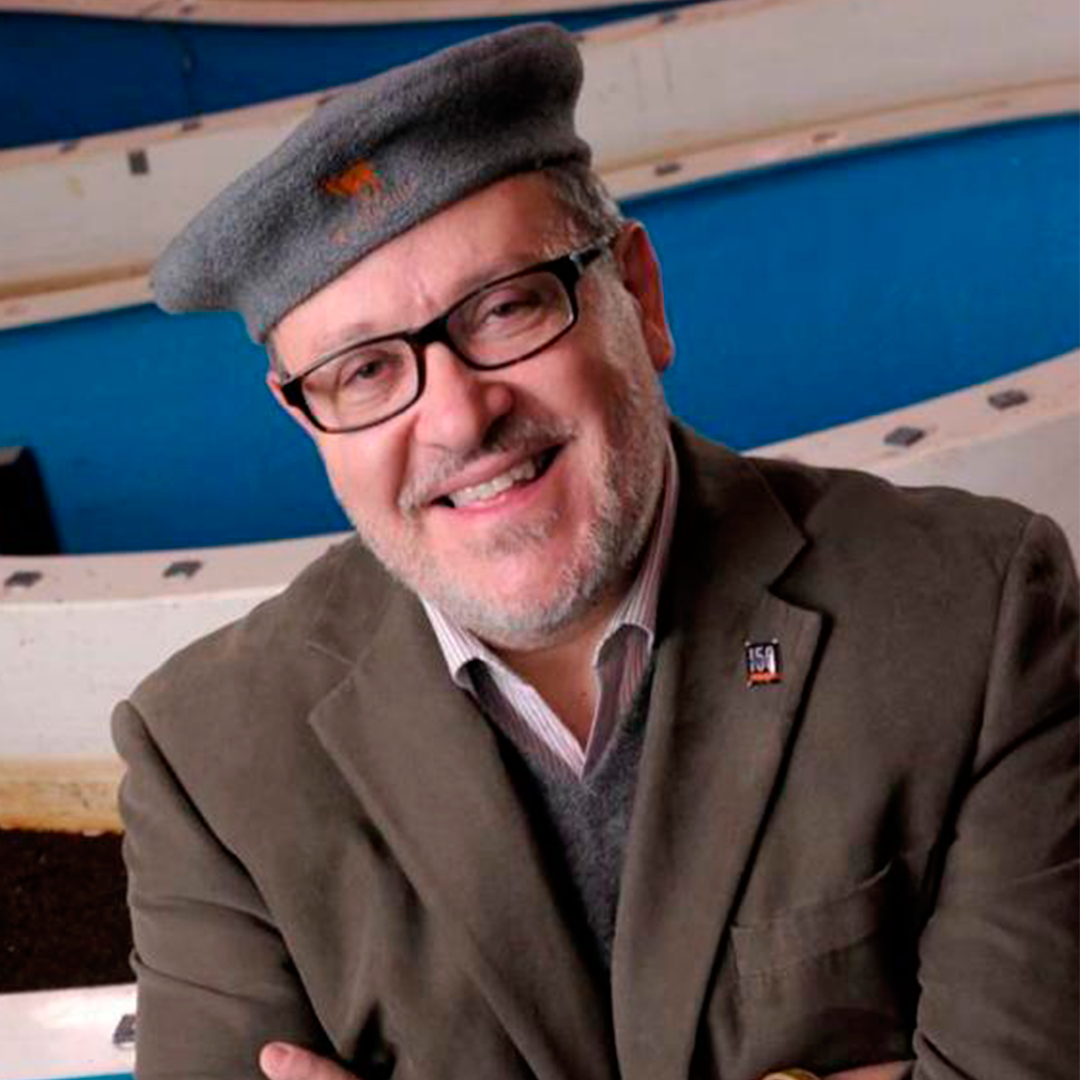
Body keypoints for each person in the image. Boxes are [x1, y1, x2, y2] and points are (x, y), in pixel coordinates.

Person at [113, 22, 1080, 1080]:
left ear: (638, 296)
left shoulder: (975, 614)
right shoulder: (208, 761)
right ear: (306, 420)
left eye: (505, 309)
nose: (458, 417)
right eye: (366, 372)